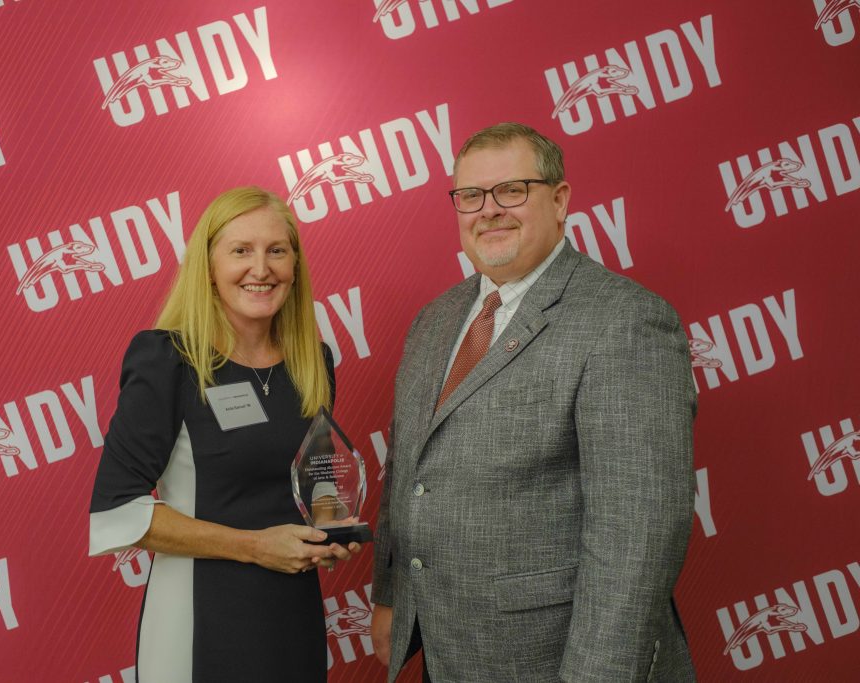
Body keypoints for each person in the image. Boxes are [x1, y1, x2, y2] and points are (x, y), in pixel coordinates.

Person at [370, 123, 697, 682]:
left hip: (555, 660)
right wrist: (391, 593)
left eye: (512, 190)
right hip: (448, 650)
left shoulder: (624, 320)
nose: (489, 210)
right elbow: (408, 469)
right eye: (471, 196)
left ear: (560, 199)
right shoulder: (436, 321)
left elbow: (637, 534)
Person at [89, 186, 361, 682]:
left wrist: (333, 527)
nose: (261, 269)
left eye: (277, 250)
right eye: (241, 251)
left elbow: (315, 482)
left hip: (292, 612)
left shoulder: (313, 362)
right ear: (208, 266)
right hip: (198, 617)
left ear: (295, 266)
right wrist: (256, 547)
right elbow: (118, 510)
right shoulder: (167, 360)